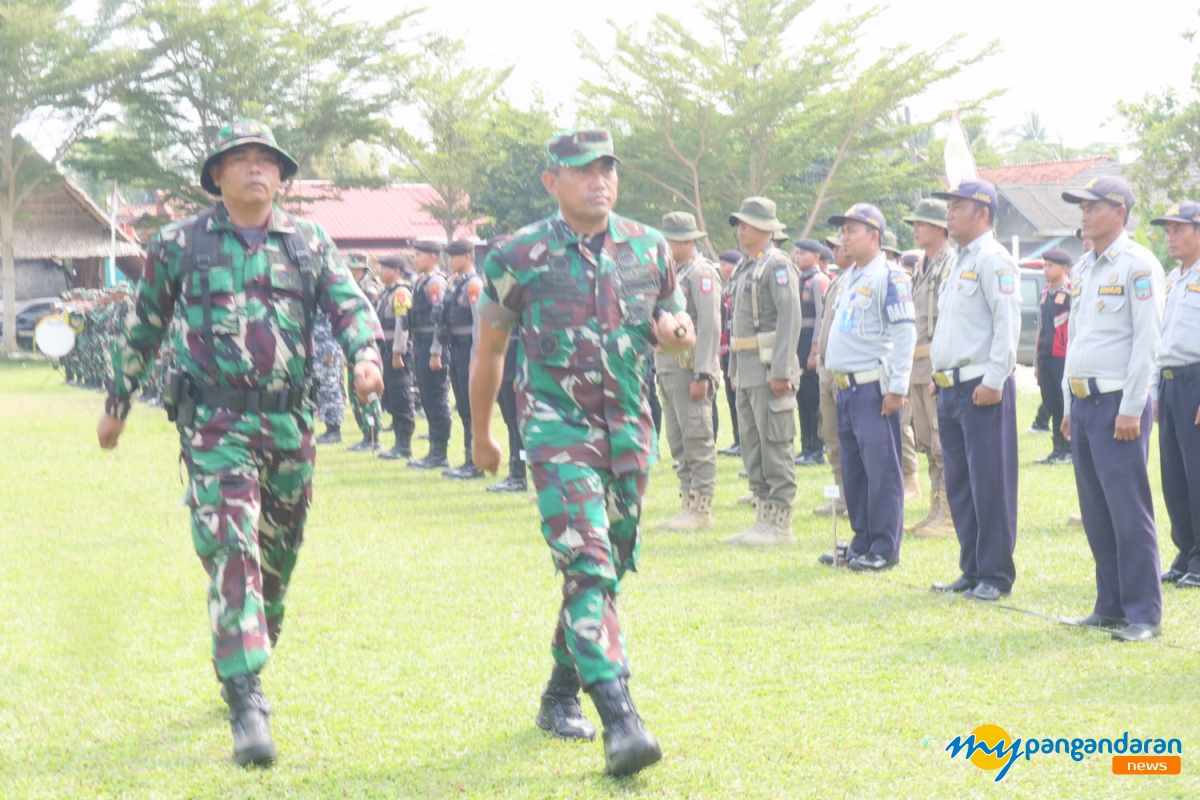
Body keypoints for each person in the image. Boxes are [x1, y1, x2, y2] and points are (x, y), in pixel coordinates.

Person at [97, 119, 384, 766]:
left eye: (267, 161)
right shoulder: (177, 244)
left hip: (289, 425)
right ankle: (246, 697)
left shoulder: (310, 243)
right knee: (232, 546)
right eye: (241, 159)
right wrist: (117, 402)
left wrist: (365, 355)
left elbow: (350, 306)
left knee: (275, 559)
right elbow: (146, 326)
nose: (256, 169)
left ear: (282, 176)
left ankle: (254, 645)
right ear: (217, 174)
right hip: (214, 426)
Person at [470, 128, 694, 777]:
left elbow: (673, 319)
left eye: (607, 169)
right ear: (553, 181)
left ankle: (559, 690)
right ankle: (620, 717)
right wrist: (482, 434)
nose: (599, 180)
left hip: (629, 429)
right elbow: (488, 348)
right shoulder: (519, 254)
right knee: (588, 562)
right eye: (583, 170)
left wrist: (679, 334)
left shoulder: (649, 247)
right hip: (555, 428)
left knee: (611, 562)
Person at [1059, 176, 1166, 642]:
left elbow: (1147, 341)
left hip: (1118, 404)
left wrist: (1132, 406)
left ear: (1119, 212)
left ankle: (1143, 613)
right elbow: (1078, 339)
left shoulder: (1138, 265)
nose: (1083, 214)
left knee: (1128, 510)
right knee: (1097, 510)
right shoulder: (1083, 268)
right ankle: (1110, 604)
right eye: (1081, 207)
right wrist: (1067, 402)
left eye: (1092, 206)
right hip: (1084, 404)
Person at [926, 179, 1021, 601]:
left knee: (990, 483)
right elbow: (953, 327)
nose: (948, 213)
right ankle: (972, 568)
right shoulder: (957, 261)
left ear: (982, 212)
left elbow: (1006, 324)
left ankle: (996, 574)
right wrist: (938, 373)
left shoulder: (994, 259)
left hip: (983, 388)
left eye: (956, 206)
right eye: (948, 206)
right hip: (950, 388)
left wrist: (995, 379)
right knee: (960, 483)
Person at [819, 203, 915, 571]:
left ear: (874, 236)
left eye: (852, 230)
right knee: (854, 470)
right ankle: (862, 540)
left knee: (882, 470)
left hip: (874, 388)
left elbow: (904, 333)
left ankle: (884, 547)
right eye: (842, 230)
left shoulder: (889, 277)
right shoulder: (849, 278)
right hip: (846, 388)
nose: (844, 237)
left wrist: (898, 388)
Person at [725, 197, 803, 546]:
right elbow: (735, 324)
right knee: (753, 446)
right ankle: (762, 516)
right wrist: (732, 368)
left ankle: (780, 523)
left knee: (775, 443)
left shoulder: (777, 265)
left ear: (766, 229)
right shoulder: (745, 267)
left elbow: (790, 317)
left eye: (747, 223)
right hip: (746, 368)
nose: (740, 229)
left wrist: (783, 368)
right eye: (739, 223)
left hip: (770, 367)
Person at [654, 212, 722, 531]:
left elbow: (709, 325)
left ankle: (701, 509)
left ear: (686, 241)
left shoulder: (700, 272)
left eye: (670, 240)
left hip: (690, 368)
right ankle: (687, 502)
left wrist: (703, 373)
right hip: (668, 367)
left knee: (697, 437)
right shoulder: (672, 273)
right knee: (678, 439)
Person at [1152, 200, 1200, 589]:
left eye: (1178, 229)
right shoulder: (1172, 278)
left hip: (1196, 381)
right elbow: (1162, 338)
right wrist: (1155, 388)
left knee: (1198, 474)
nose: (1170, 237)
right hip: (1169, 382)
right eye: (1167, 231)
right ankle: (1185, 549)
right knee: (1174, 476)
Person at [901, 198, 955, 538]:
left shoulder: (949, 263)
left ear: (939, 227)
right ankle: (936, 506)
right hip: (917, 363)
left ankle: (949, 512)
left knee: (942, 440)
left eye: (922, 223)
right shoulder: (922, 265)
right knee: (925, 439)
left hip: (936, 361)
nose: (916, 229)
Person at [439, 239, 485, 479]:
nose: (450, 261)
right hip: (456, 347)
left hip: (468, 347)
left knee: (472, 407)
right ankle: (469, 458)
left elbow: (478, 322)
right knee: (464, 408)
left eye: (454, 256)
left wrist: (475, 355)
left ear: (467, 256)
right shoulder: (457, 283)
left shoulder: (473, 285)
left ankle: (476, 462)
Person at [812, 234, 851, 517]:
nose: (836, 250)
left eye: (840, 245)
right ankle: (842, 495)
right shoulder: (837, 280)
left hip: (846, 369)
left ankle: (857, 496)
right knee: (832, 437)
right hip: (827, 367)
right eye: (835, 246)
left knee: (851, 438)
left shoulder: (859, 280)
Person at [406, 240, 452, 468]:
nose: (415, 259)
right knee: (426, 398)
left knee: (436, 398)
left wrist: (437, 351)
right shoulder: (421, 281)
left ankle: (440, 452)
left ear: (433, 256)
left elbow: (439, 320)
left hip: (432, 344)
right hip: (420, 343)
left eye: (419, 255)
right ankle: (433, 448)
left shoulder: (435, 283)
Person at [1034, 248, 1074, 465]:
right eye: (1045, 265)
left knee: (1064, 403)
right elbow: (1041, 327)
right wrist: (1036, 360)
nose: (1046, 269)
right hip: (1046, 356)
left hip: (1063, 357)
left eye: (1051, 266)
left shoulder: (1071, 292)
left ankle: (1070, 449)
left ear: (1064, 268)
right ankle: (1057, 449)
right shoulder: (1045, 293)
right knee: (1052, 404)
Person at [793, 238, 829, 466]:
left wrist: (815, 349)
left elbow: (821, 316)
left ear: (816, 257)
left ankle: (816, 446)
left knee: (813, 397)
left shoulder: (818, 280)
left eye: (803, 253)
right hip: (798, 342)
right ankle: (806, 445)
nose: (798, 257)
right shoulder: (799, 279)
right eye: (796, 253)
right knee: (801, 396)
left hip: (810, 342)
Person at [378, 254, 417, 459]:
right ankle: (398, 443)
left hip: (396, 350)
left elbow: (403, 325)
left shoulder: (401, 293)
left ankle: (404, 445)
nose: (381, 271)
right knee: (391, 396)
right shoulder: (388, 292)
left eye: (385, 268)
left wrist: (397, 352)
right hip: (385, 347)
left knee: (401, 396)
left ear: (397, 271)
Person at [345, 252, 385, 451]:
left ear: (360, 267)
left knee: (367, 391)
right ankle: (366, 435)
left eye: (351, 267)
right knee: (356, 391)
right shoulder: (355, 286)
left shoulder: (368, 287)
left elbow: (368, 317)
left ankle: (373, 435)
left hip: (367, 347)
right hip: (356, 345)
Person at [716, 249, 743, 457]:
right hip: (726, 349)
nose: (722, 268)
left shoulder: (738, 288)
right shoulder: (726, 290)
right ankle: (737, 438)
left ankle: (744, 440)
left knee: (740, 397)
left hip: (739, 348)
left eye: (725, 264)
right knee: (730, 398)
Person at [312, 309, 345, 443]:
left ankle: (334, 430)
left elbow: (333, 328)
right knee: (323, 390)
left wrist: (329, 351)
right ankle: (329, 427)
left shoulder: (327, 303)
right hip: (318, 352)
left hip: (326, 353)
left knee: (330, 389)